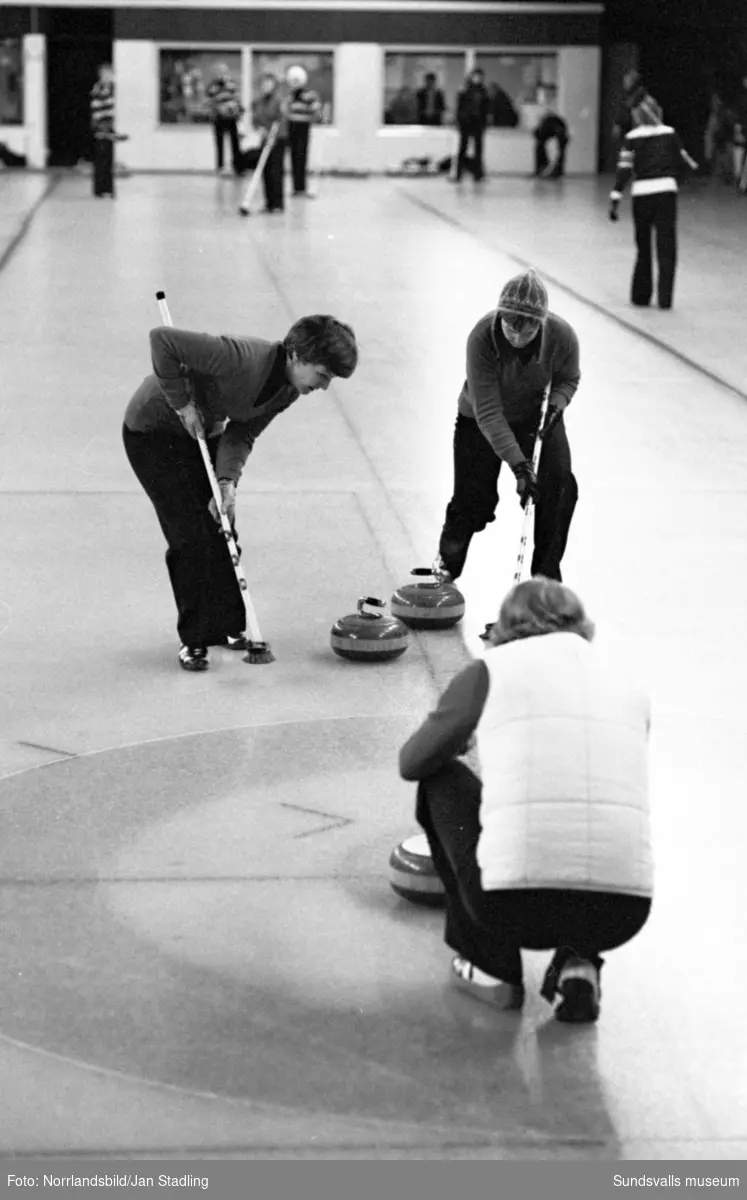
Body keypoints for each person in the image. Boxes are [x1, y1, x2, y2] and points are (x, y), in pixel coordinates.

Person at [399, 577, 654, 1024]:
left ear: (507, 627)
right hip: (622, 911)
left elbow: (413, 761)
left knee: (441, 780)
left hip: (512, 907)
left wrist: (456, 742)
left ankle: (490, 969)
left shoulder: (488, 672)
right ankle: (580, 962)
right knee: (586, 799)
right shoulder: (626, 683)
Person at [122, 316, 358, 671]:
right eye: (324, 374)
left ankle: (228, 626)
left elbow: (242, 434)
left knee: (221, 526)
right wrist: (182, 403)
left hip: (203, 432)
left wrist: (226, 482)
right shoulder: (239, 358)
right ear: (296, 355)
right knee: (189, 536)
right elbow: (162, 340)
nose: (324, 386)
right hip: (154, 431)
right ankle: (195, 639)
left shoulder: (288, 390)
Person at [435, 268, 579, 631]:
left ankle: (544, 588)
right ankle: (445, 566)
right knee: (474, 501)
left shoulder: (561, 336)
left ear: (540, 325)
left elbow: (568, 377)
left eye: (526, 329)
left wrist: (558, 406)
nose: (516, 336)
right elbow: (488, 412)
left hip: (536, 418)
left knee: (559, 487)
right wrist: (518, 467)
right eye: (509, 327)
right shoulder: (482, 337)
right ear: (500, 317)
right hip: (479, 421)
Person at [609, 96, 698, 310]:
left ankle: (641, 296)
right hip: (666, 193)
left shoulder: (631, 138)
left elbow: (624, 171)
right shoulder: (670, 134)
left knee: (643, 246)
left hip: (642, 195)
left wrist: (615, 198)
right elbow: (685, 164)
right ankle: (665, 300)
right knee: (667, 247)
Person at [285, 65, 322, 197]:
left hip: (303, 128)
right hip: (290, 127)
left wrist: (312, 115)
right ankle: (296, 187)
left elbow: (317, 112)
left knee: (301, 157)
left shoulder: (310, 95)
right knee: (293, 157)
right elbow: (285, 111)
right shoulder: (289, 95)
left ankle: (302, 187)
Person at [253, 73, 287, 213]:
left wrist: (274, 136)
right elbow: (256, 119)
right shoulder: (258, 102)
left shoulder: (279, 101)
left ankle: (278, 204)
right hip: (265, 139)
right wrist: (259, 129)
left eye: (269, 84)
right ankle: (269, 203)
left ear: (274, 86)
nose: (265, 86)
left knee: (276, 171)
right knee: (265, 170)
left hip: (278, 139)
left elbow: (282, 120)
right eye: (263, 84)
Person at [454, 69, 490, 181]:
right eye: (475, 76)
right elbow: (460, 107)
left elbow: (486, 109)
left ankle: (478, 173)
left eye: (479, 77)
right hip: (466, 123)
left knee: (478, 149)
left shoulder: (483, 91)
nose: (477, 79)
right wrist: (459, 121)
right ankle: (458, 173)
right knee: (462, 149)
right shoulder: (464, 90)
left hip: (478, 123)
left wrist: (484, 123)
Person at [207, 62, 242, 176]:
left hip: (231, 117)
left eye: (223, 71)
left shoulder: (231, 84)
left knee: (234, 143)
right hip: (218, 117)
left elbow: (236, 98)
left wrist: (235, 110)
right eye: (219, 71)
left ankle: (237, 167)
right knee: (219, 143)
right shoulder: (213, 85)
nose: (221, 74)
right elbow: (210, 98)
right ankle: (220, 167)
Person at [90, 63, 116, 198]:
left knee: (110, 159)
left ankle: (109, 188)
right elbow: (97, 110)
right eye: (106, 75)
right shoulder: (98, 89)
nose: (109, 77)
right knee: (101, 158)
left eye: (110, 74)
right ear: (101, 76)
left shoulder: (112, 88)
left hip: (110, 127)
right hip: (101, 126)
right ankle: (99, 189)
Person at [533, 109, 570, 178]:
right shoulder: (542, 130)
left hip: (557, 128)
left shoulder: (546, 128)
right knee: (541, 148)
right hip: (555, 128)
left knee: (560, 149)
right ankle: (547, 169)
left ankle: (552, 170)